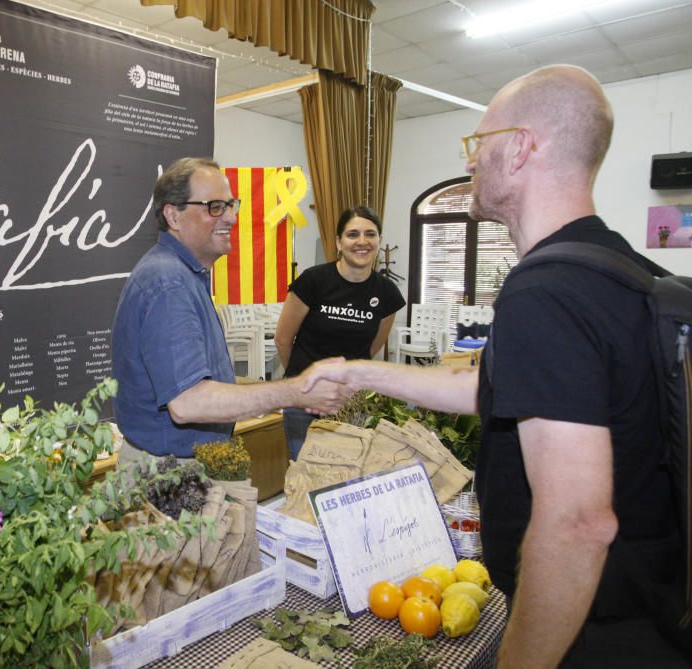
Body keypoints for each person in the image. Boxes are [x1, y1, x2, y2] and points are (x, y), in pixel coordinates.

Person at [299, 65, 687, 667]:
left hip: (591, 630)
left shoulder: (548, 290)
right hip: (648, 601)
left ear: (523, 147)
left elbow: (578, 523)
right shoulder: (622, 271)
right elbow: (491, 386)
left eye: (480, 143)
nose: (473, 160)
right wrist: (360, 372)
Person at [111, 157, 352, 463]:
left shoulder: (183, 275)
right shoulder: (168, 283)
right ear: (173, 215)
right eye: (214, 207)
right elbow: (188, 403)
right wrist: (296, 392)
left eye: (230, 205)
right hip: (168, 472)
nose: (230, 218)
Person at [274, 205, 405, 459]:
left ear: (379, 241)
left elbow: (370, 349)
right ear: (338, 241)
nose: (362, 242)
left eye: (370, 234)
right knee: (305, 474)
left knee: (348, 475)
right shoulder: (312, 281)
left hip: (353, 400)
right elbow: (282, 339)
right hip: (305, 400)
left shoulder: (387, 293)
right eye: (353, 234)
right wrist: (303, 380)